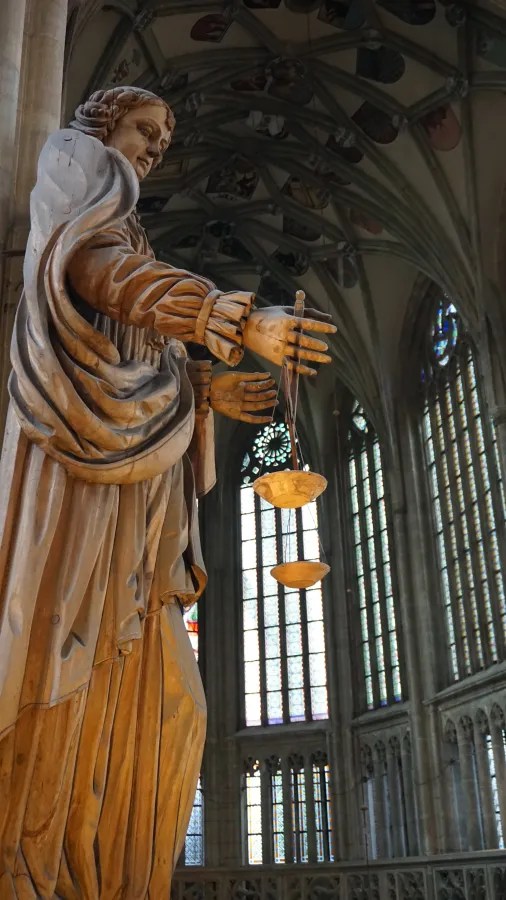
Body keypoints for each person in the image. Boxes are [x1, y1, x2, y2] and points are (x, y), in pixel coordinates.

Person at [0, 86, 335, 898]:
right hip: (79, 482)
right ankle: (29, 866)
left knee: (171, 710)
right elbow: (93, 270)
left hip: (135, 499)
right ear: (101, 124)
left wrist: (204, 393)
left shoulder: (122, 215)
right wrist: (224, 315)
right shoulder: (73, 166)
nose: (154, 146)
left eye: (161, 136)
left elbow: (132, 347)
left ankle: (107, 875)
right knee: (61, 680)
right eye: (145, 129)